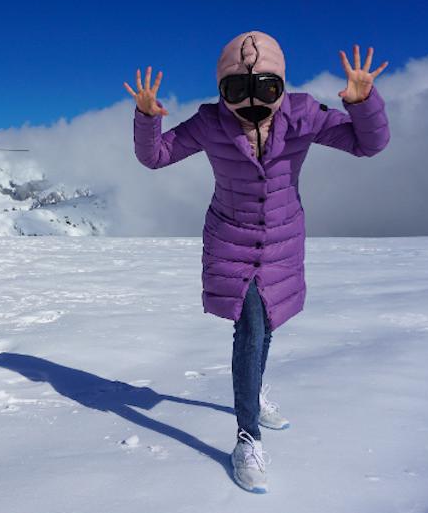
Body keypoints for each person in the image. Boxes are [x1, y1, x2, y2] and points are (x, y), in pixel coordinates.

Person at [123, 31, 390, 493]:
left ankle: (255, 391)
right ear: (222, 89)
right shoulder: (210, 123)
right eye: (236, 89)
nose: (251, 102)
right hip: (230, 237)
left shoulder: (304, 115)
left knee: (265, 323)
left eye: (266, 88)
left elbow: (367, 145)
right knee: (248, 328)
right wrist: (147, 119)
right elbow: (156, 156)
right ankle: (247, 435)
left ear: (281, 85)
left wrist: (363, 103)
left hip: (283, 239)